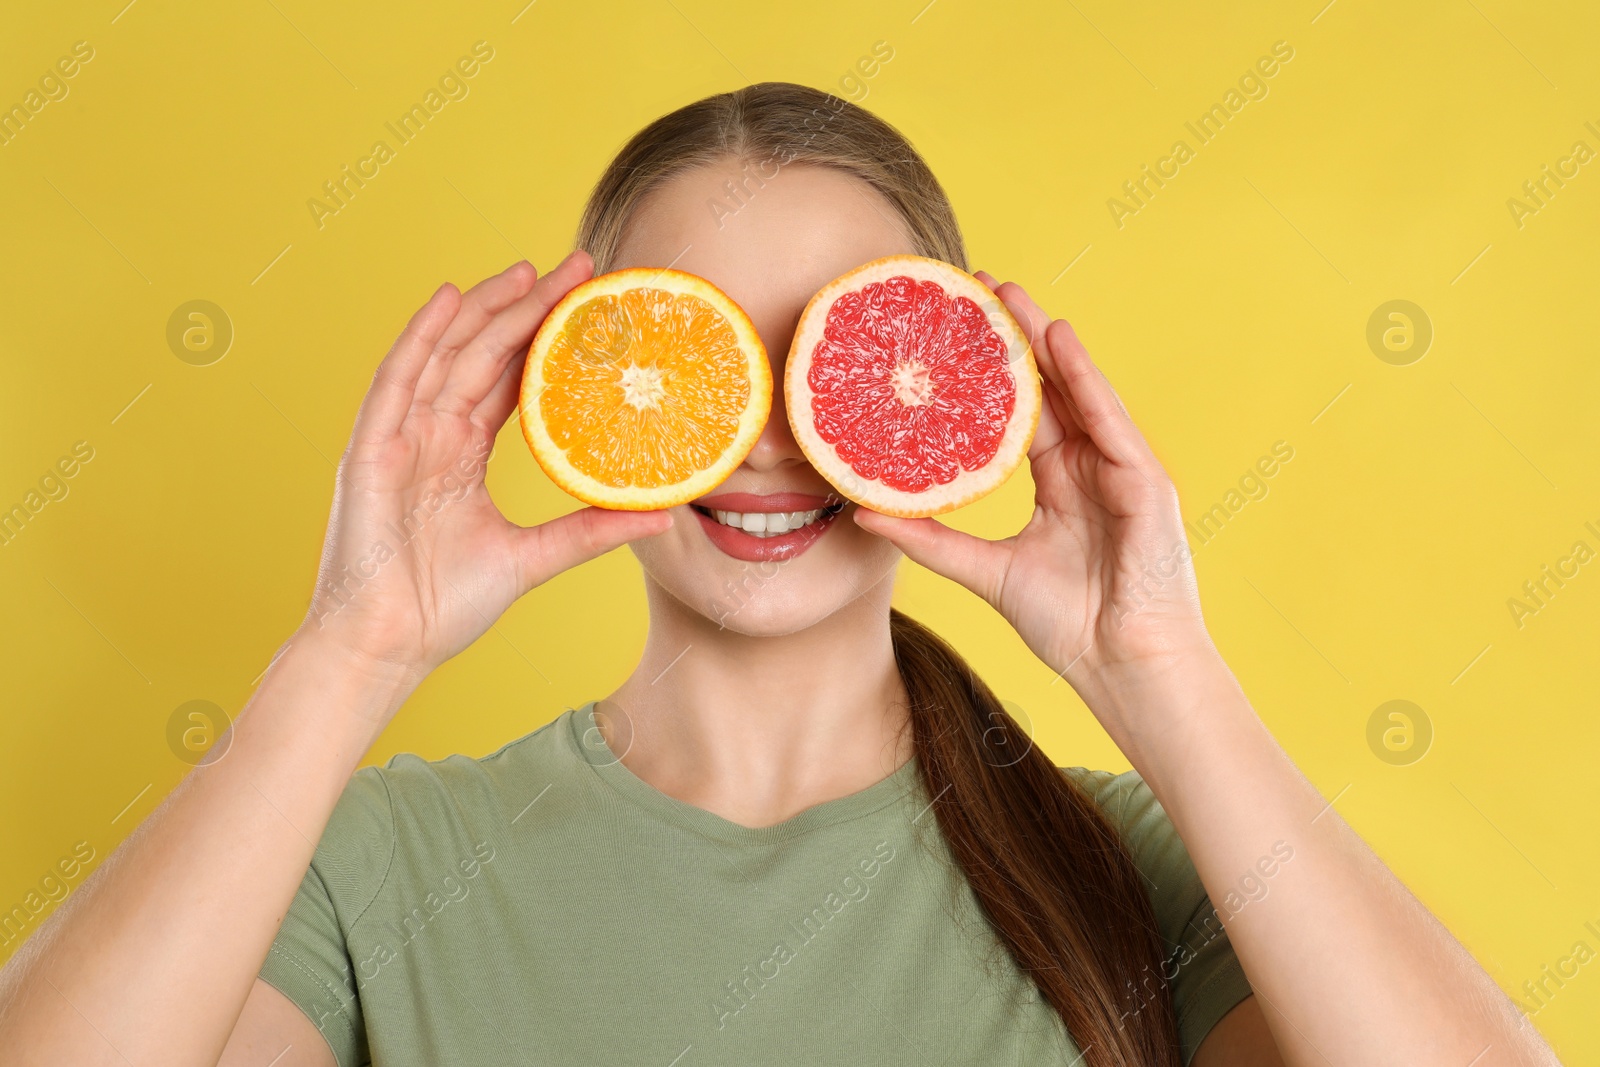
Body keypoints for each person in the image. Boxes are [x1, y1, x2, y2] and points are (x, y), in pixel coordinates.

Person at [0, 82, 1557, 1067]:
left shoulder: (1155, 867)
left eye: (836, 350)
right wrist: (348, 652)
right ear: (575, 384)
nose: (767, 434)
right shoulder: (367, 866)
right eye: (688, 356)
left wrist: (1165, 675)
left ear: (953, 390)